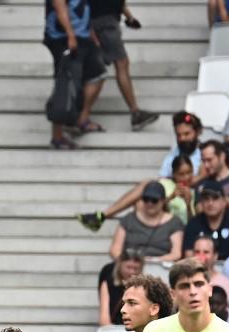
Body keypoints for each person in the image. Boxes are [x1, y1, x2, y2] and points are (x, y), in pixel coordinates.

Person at [44, 0, 105, 149]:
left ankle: (81, 120)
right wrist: (70, 34)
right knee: (64, 84)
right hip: (63, 38)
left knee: (97, 75)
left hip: (83, 37)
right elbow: (60, 6)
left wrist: (90, 32)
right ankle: (57, 136)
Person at [88, 0, 158, 131]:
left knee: (100, 70)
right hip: (104, 23)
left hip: (102, 21)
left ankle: (79, 115)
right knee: (120, 64)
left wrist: (129, 17)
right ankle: (135, 112)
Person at [78, 156, 196, 232]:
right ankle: (102, 216)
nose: (186, 177)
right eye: (181, 174)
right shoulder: (164, 184)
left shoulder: (195, 193)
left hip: (179, 232)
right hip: (158, 224)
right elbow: (152, 206)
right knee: (146, 188)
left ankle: (103, 215)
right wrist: (170, 197)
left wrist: (188, 203)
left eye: (189, 173)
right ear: (174, 174)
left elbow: (193, 225)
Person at [107, 182, 184, 262]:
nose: (149, 203)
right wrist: (127, 262)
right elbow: (114, 250)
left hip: (161, 266)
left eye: (154, 200)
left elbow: (176, 254)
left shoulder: (174, 222)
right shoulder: (129, 219)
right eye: (146, 199)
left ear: (163, 201)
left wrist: (154, 260)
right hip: (130, 264)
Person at [182, 180, 229, 260]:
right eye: (206, 199)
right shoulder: (193, 224)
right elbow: (189, 257)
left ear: (224, 202)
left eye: (215, 198)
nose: (210, 203)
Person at [98, 249, 144, 327]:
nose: (132, 272)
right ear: (120, 265)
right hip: (114, 327)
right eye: (128, 267)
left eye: (136, 268)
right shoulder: (108, 283)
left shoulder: (143, 286)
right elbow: (104, 318)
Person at [191, 235, 229, 299]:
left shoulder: (226, 284)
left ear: (215, 255)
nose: (201, 256)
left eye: (206, 252)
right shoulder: (184, 282)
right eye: (197, 252)